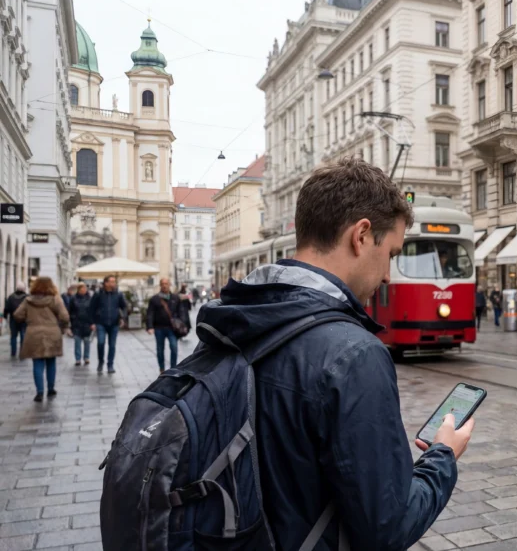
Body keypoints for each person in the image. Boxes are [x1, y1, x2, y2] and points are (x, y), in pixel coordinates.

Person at [194, 158, 472, 548]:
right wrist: (443, 455)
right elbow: (388, 527)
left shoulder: (232, 320)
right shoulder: (353, 355)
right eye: (391, 253)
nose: (389, 275)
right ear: (361, 236)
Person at [13, 277, 69, 402]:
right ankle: (51, 388)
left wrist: (28, 318)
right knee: (51, 361)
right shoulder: (55, 299)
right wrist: (61, 324)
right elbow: (65, 316)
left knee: (37, 363)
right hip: (52, 332)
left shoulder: (28, 300)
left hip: (33, 333)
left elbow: (17, 315)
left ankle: (39, 391)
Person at [89, 275, 127, 374]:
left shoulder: (118, 294)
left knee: (112, 345)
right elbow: (91, 309)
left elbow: (124, 307)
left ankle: (110, 365)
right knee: (101, 343)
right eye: (111, 282)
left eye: (114, 282)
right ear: (105, 283)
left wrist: (122, 318)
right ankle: (101, 362)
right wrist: (92, 322)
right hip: (100, 322)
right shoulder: (98, 294)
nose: (113, 284)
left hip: (114, 323)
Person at [147, 278, 184, 373]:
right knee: (160, 349)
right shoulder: (155, 299)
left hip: (172, 328)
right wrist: (150, 326)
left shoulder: (175, 298)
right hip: (159, 328)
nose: (164, 285)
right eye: (162, 284)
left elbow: (181, 312)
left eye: (166, 283)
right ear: (160, 285)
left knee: (174, 347)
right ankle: (162, 369)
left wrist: (182, 323)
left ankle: (173, 368)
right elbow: (150, 313)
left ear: (169, 284)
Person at [68, 283, 94, 366]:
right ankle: (78, 359)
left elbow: (93, 311)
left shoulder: (90, 299)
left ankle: (86, 357)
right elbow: (69, 310)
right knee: (77, 341)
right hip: (76, 323)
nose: (84, 290)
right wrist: (72, 319)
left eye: (85, 288)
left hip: (87, 323)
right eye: (82, 289)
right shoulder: (73, 298)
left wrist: (93, 322)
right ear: (78, 290)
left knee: (87, 341)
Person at [4, 282, 28, 360]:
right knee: (23, 335)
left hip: (13, 319)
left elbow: (6, 308)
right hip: (24, 320)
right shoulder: (27, 297)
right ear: (24, 289)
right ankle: (22, 352)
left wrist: (5, 316)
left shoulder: (11, 297)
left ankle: (13, 352)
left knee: (13, 336)